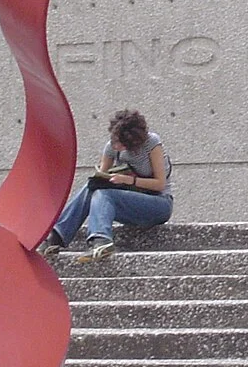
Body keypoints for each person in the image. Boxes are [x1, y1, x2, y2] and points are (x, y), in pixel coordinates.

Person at [39, 108, 173, 260]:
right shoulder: (111, 147)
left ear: (132, 141)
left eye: (120, 143)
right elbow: (101, 178)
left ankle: (100, 239)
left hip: (159, 204)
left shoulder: (152, 143)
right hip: (129, 203)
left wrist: (128, 180)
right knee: (93, 188)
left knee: (105, 194)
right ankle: (57, 237)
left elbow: (160, 184)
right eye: (114, 140)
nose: (115, 146)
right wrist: (102, 179)